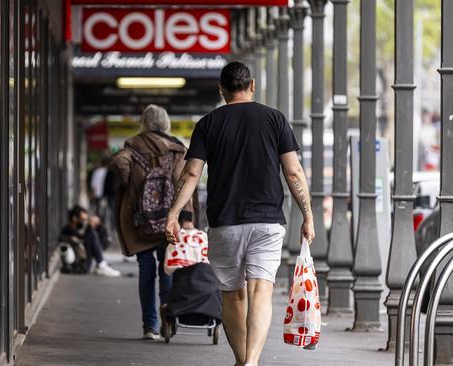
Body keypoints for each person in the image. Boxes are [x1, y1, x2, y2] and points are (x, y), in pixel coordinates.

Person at [165, 61, 315, 366]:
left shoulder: (208, 124)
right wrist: (308, 216)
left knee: (232, 295)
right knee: (261, 290)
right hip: (267, 221)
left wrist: (173, 213)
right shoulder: (275, 119)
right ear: (253, 85)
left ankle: (241, 359)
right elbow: (294, 173)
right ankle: (252, 362)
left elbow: (192, 173)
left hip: (225, 222)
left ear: (222, 90)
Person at [111, 104, 196, 341]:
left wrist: (134, 187)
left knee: (146, 270)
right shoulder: (177, 150)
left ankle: (149, 325)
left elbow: (118, 163)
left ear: (144, 122)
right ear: (166, 122)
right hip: (170, 220)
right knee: (167, 268)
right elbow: (184, 182)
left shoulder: (133, 146)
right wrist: (187, 217)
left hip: (142, 221)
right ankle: (167, 316)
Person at [60, 205, 121, 277]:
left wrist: (98, 224)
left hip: (84, 263)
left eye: (85, 220)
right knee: (91, 233)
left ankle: (101, 264)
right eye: (82, 219)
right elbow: (81, 239)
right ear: (74, 218)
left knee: (94, 233)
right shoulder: (68, 230)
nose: (84, 222)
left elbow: (102, 240)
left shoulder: (77, 230)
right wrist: (90, 226)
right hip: (80, 266)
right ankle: (101, 264)